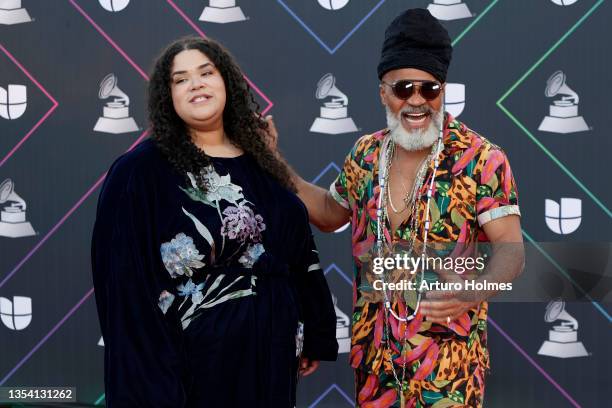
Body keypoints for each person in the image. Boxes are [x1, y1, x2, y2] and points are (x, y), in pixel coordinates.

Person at [267, 8, 524, 408]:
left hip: (448, 373)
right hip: (376, 366)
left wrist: (473, 290)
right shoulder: (366, 155)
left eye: (430, 88)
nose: (417, 101)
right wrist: (273, 161)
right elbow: (327, 212)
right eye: (404, 88)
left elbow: (512, 251)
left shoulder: (481, 159)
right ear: (383, 91)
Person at [91, 36, 338, 408]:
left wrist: (313, 328)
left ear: (228, 83)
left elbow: (299, 250)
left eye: (206, 72)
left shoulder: (263, 165)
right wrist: (150, 380)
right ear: (167, 96)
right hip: (191, 365)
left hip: (271, 355)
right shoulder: (140, 171)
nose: (196, 83)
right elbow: (124, 283)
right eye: (181, 78)